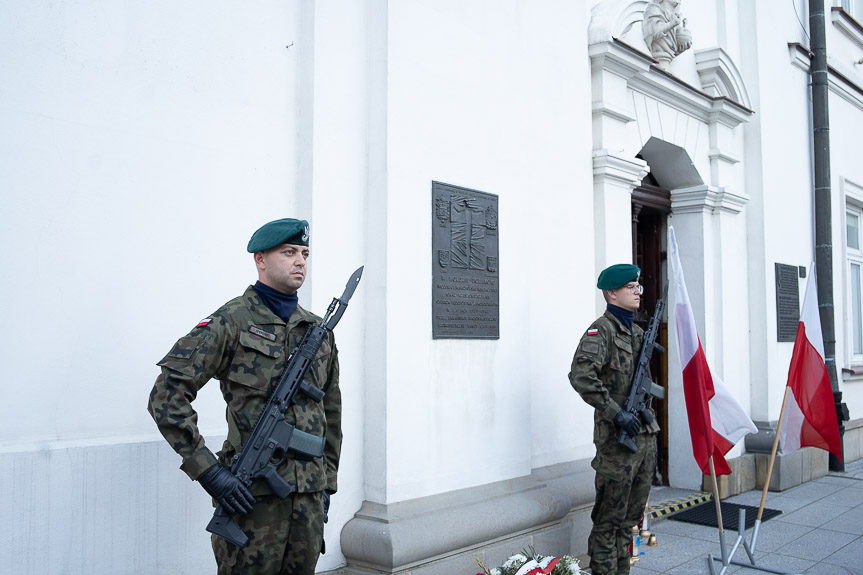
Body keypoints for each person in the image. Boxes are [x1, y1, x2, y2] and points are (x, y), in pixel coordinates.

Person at [148, 218, 341, 575]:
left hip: (309, 500)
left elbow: (331, 410)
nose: (300, 261)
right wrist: (209, 472)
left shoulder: (318, 331)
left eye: (305, 253)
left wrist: (326, 484)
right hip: (252, 498)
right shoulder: (231, 321)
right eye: (289, 252)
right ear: (260, 259)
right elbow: (167, 395)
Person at [568, 264, 658, 575]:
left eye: (638, 286)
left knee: (629, 522)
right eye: (630, 286)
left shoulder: (637, 333)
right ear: (612, 293)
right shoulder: (601, 331)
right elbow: (581, 376)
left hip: (643, 439)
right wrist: (615, 413)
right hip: (616, 445)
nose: (637, 291)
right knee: (608, 523)